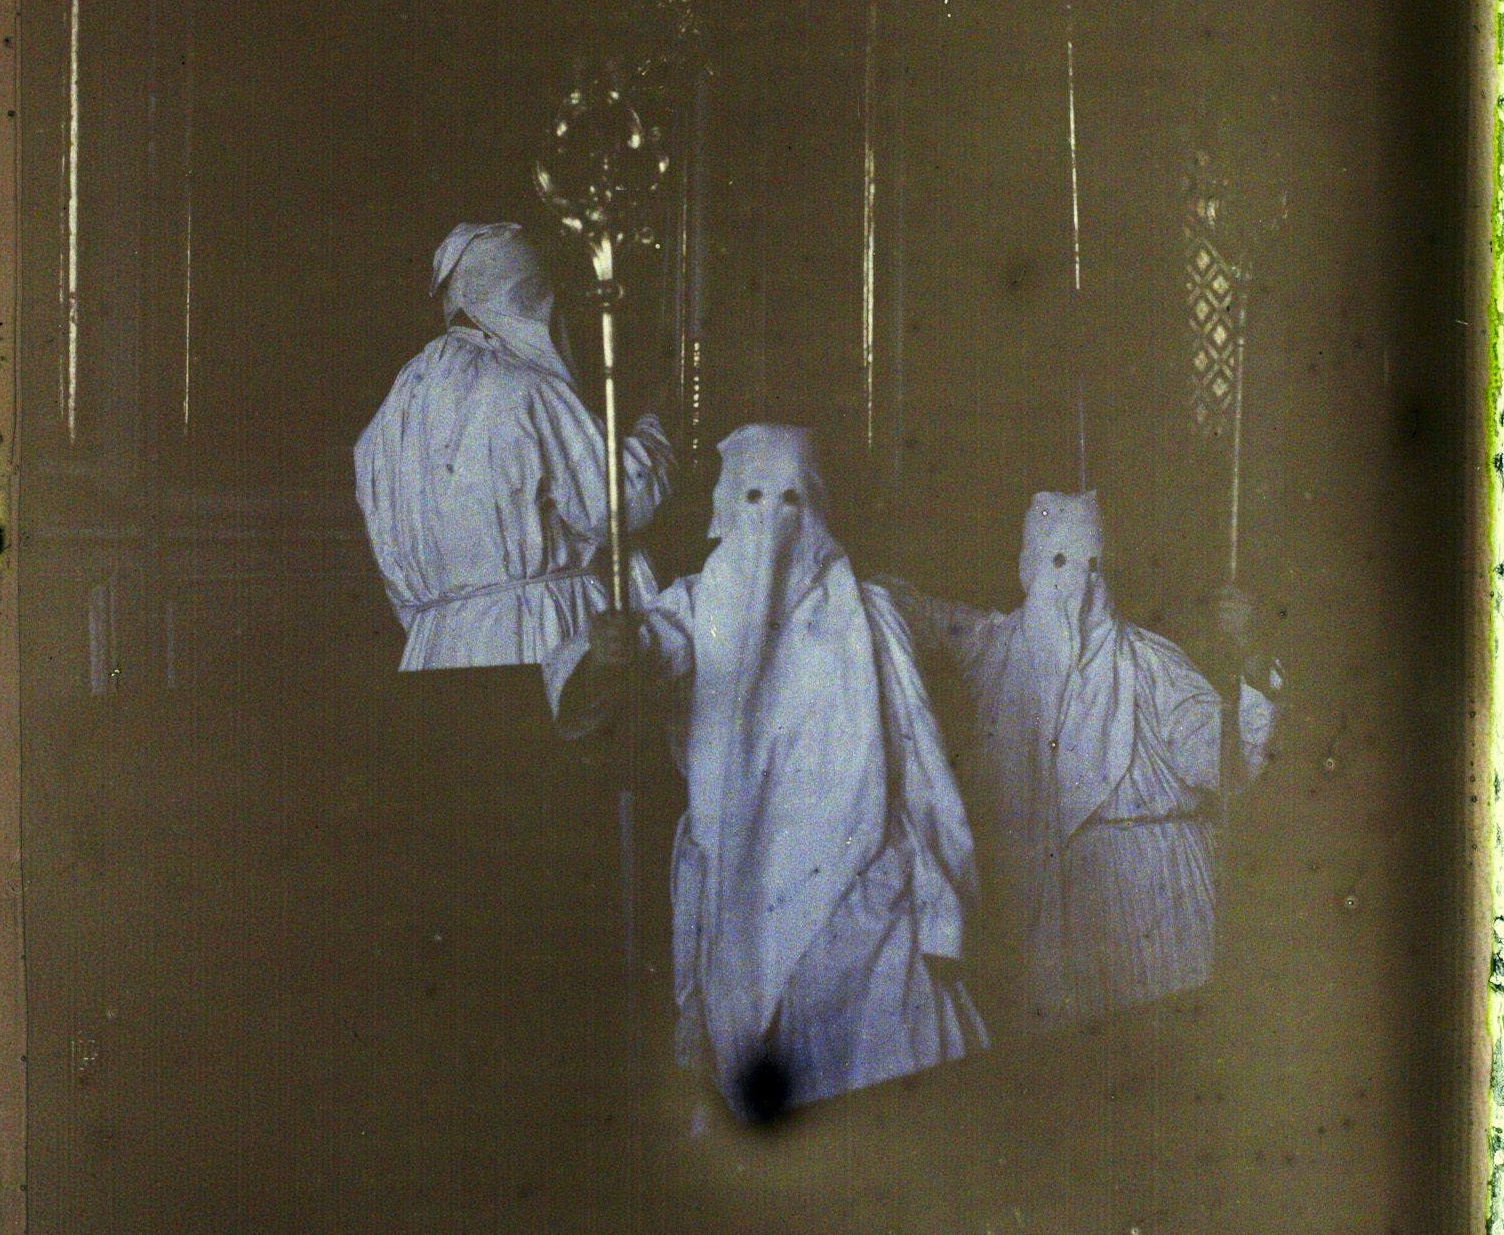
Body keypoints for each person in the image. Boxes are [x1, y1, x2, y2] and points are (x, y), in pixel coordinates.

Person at [544, 424, 988, 1120]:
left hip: (862, 903)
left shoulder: (869, 617)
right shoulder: (694, 606)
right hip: (743, 891)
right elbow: (616, 674)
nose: (773, 518)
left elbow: (924, 769)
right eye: (753, 496)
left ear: (818, 507)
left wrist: (941, 918)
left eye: (791, 499)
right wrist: (609, 654)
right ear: (727, 508)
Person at [884, 490, 1283, 1035]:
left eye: (1095, 567)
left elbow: (1224, 760)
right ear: (1030, 568)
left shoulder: (1150, 664)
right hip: (1052, 908)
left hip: (1157, 893)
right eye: (1060, 563)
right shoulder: (997, 648)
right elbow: (921, 614)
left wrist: (1253, 660)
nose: (1081, 585)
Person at [354, 221, 674, 669]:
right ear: (524, 296)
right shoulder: (526, 390)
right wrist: (654, 428)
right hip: (540, 638)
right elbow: (620, 504)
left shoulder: (393, 412)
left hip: (435, 648)